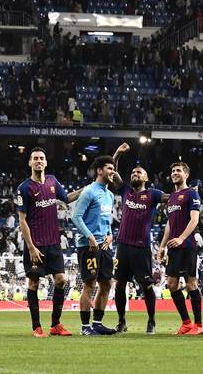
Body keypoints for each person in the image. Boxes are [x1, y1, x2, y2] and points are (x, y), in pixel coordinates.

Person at [16, 147, 83, 337]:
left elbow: (67, 198)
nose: (39, 161)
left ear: (46, 162)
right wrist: (31, 248)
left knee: (61, 280)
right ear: (30, 163)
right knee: (33, 284)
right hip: (35, 245)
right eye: (35, 158)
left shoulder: (53, 181)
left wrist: (86, 188)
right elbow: (22, 219)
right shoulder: (24, 188)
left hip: (53, 243)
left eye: (42, 158)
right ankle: (37, 327)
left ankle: (55, 325)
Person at [111, 143, 168, 335]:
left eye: (139, 173)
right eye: (133, 173)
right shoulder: (126, 191)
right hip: (123, 246)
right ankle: (121, 322)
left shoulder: (153, 194)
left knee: (146, 285)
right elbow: (112, 173)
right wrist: (118, 153)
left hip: (141, 247)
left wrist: (187, 193)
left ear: (146, 178)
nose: (135, 174)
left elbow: (172, 198)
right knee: (119, 284)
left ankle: (151, 321)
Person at [71, 155, 118, 336]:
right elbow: (76, 217)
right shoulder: (89, 191)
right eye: (109, 168)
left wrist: (110, 235)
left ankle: (97, 323)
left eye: (113, 169)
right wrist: (90, 237)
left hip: (104, 245)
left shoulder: (110, 195)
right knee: (89, 284)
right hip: (88, 245)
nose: (112, 172)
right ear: (99, 170)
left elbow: (105, 221)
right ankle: (85, 327)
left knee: (106, 283)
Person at [157, 162, 203, 335]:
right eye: (173, 170)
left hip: (188, 245)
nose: (175, 173)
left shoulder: (192, 193)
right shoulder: (171, 198)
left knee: (191, 284)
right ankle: (186, 322)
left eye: (178, 170)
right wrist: (162, 246)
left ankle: (199, 325)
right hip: (173, 247)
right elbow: (170, 223)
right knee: (171, 284)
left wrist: (181, 238)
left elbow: (195, 220)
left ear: (186, 174)